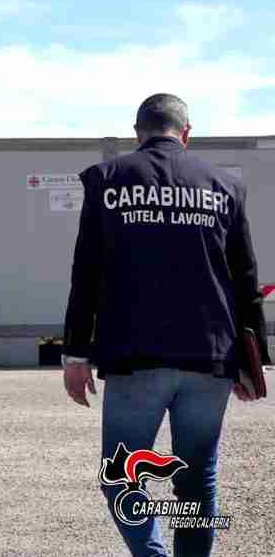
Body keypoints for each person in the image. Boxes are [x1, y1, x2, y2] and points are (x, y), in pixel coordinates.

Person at [62, 93, 270, 557]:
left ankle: (151, 553)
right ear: (187, 132)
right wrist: (253, 360)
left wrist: (76, 352)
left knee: (121, 476)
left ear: (137, 133)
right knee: (197, 480)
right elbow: (246, 278)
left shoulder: (106, 180)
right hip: (210, 355)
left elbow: (86, 273)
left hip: (135, 355)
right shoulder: (225, 186)